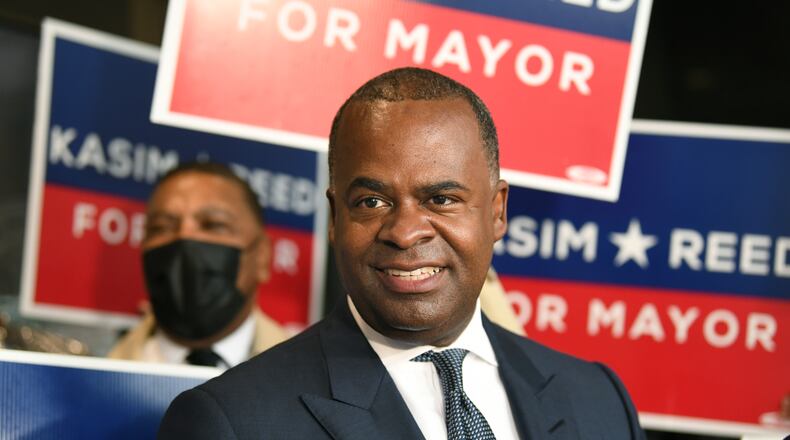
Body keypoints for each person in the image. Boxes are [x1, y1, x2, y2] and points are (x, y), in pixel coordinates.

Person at [159, 68, 644, 439]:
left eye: (442, 199)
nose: (406, 232)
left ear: (497, 212)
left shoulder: (599, 400)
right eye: (372, 202)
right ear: (335, 218)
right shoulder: (232, 421)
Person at [109, 162, 288, 369]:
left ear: (262, 256)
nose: (185, 237)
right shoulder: (91, 377)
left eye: (213, 224)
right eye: (161, 228)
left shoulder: (304, 376)